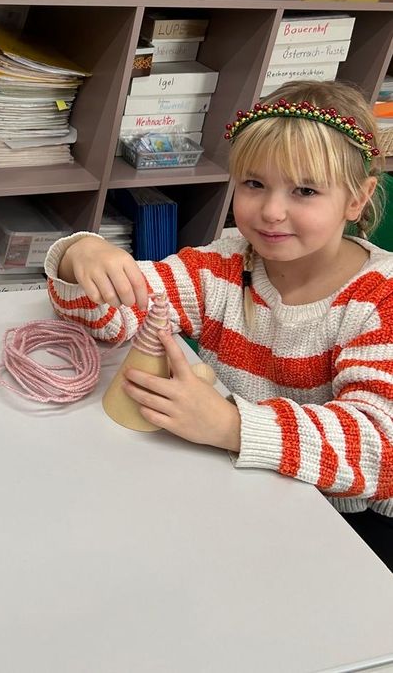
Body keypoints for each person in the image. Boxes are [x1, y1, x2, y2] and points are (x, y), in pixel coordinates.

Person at [45, 80, 393, 569]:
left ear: (357, 201)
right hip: (241, 486)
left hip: (348, 523)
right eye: (254, 184)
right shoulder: (226, 263)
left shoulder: (380, 298)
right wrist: (80, 257)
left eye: (305, 191)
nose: (271, 211)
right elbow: (114, 320)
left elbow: (381, 449)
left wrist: (230, 424)